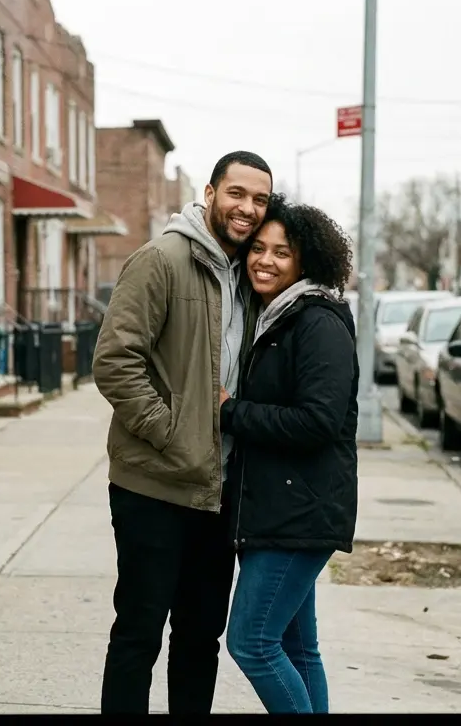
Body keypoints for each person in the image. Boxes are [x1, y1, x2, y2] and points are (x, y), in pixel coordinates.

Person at [92, 150, 274, 714]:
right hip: (153, 485)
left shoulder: (246, 276)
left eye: (259, 200)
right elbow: (114, 361)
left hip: (217, 493)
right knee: (139, 634)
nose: (247, 208)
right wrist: (170, 433)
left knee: (200, 641)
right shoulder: (162, 259)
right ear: (211, 191)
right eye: (237, 193)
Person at [219, 198, 359, 714]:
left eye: (282, 252)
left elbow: (319, 422)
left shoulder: (316, 322)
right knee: (299, 649)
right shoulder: (274, 318)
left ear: (306, 262)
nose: (266, 260)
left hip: (299, 512)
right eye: (258, 248)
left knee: (251, 643)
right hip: (280, 509)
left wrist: (232, 411)